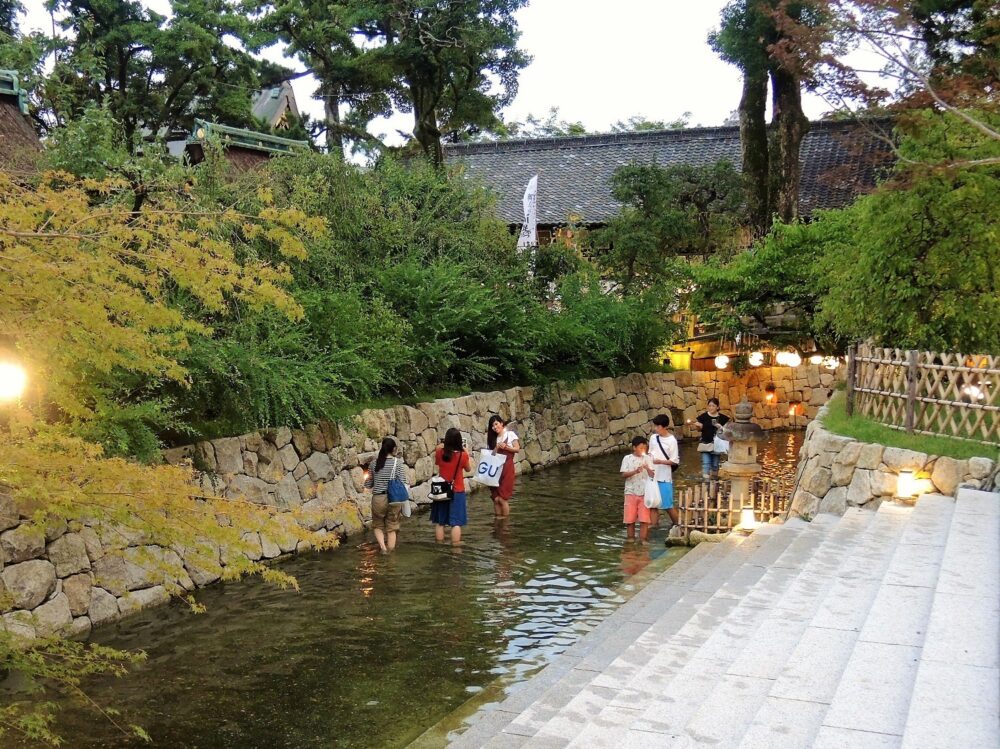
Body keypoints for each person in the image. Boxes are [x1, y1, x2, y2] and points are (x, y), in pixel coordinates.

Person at [363, 437, 409, 554]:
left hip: (378, 498)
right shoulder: (397, 463)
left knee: (378, 524)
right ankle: (390, 551)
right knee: (392, 526)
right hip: (394, 499)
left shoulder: (373, 464)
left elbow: (368, 484)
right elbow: (402, 481)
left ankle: (383, 548)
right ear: (393, 449)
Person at [432, 428, 472, 545]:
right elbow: (468, 469)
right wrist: (467, 453)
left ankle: (439, 545)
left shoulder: (440, 452)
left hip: (441, 490)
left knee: (440, 522)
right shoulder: (463, 455)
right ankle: (455, 548)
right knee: (456, 523)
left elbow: (439, 453)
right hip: (457, 490)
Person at [621, 436, 654, 543]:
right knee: (630, 520)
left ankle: (643, 540)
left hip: (645, 493)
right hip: (630, 492)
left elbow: (653, 475)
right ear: (634, 448)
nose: (643, 451)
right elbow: (624, 474)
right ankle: (630, 540)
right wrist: (635, 471)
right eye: (640, 448)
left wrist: (647, 468)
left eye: (645, 448)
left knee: (644, 520)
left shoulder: (648, 458)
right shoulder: (627, 458)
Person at [649, 414, 680, 530]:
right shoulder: (653, 438)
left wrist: (660, 461)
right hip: (652, 475)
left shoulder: (672, 441)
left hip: (664, 476)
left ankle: (678, 525)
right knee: (652, 504)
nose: (655, 429)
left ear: (664, 427)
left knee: (667, 504)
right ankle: (653, 527)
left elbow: (674, 460)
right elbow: (650, 452)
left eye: (657, 426)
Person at [487, 415, 520, 518]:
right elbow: (490, 456)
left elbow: (517, 448)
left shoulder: (510, 434)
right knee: (496, 499)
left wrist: (506, 447)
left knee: (502, 498)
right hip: (495, 469)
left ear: (501, 423)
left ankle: (505, 523)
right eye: (492, 426)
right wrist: (496, 447)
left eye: (496, 424)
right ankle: (498, 521)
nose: (495, 427)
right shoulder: (493, 439)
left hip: (507, 467)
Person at [696, 398, 731, 481]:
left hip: (717, 445)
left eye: (713, 406)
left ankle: (715, 481)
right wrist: (698, 426)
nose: (711, 408)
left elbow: (728, 431)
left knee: (715, 464)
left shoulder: (723, 418)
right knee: (706, 463)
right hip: (705, 443)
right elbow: (699, 429)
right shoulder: (703, 417)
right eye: (709, 406)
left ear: (717, 407)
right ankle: (706, 482)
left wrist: (720, 427)